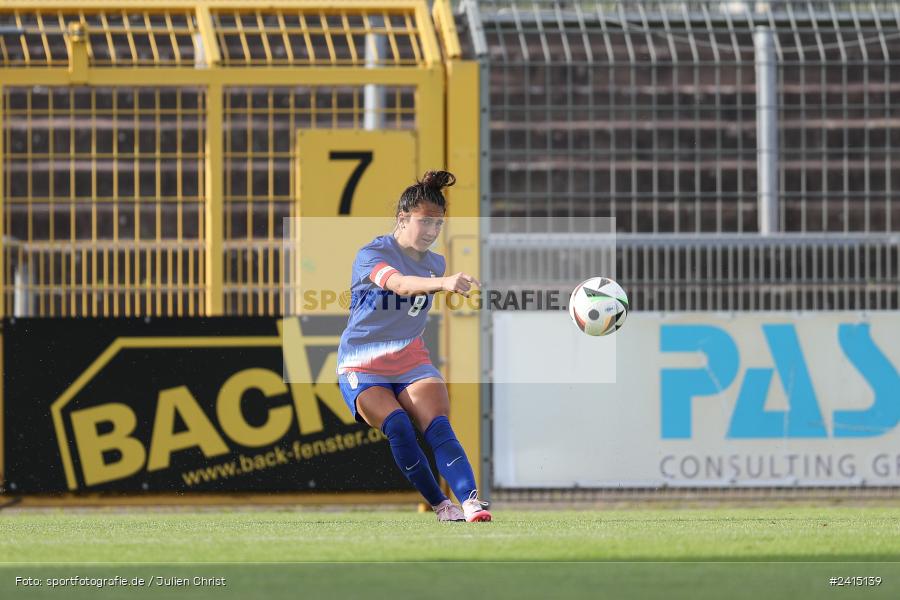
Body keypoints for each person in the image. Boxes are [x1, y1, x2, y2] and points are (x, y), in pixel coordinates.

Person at [336, 170, 491, 523]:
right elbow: (401, 285)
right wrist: (444, 283)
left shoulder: (436, 262)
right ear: (402, 219)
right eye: (425, 223)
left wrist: (443, 280)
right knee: (400, 427)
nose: (432, 232)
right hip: (362, 362)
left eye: (438, 224)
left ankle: (470, 502)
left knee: (437, 425)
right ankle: (441, 504)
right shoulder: (371, 253)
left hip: (411, 360)